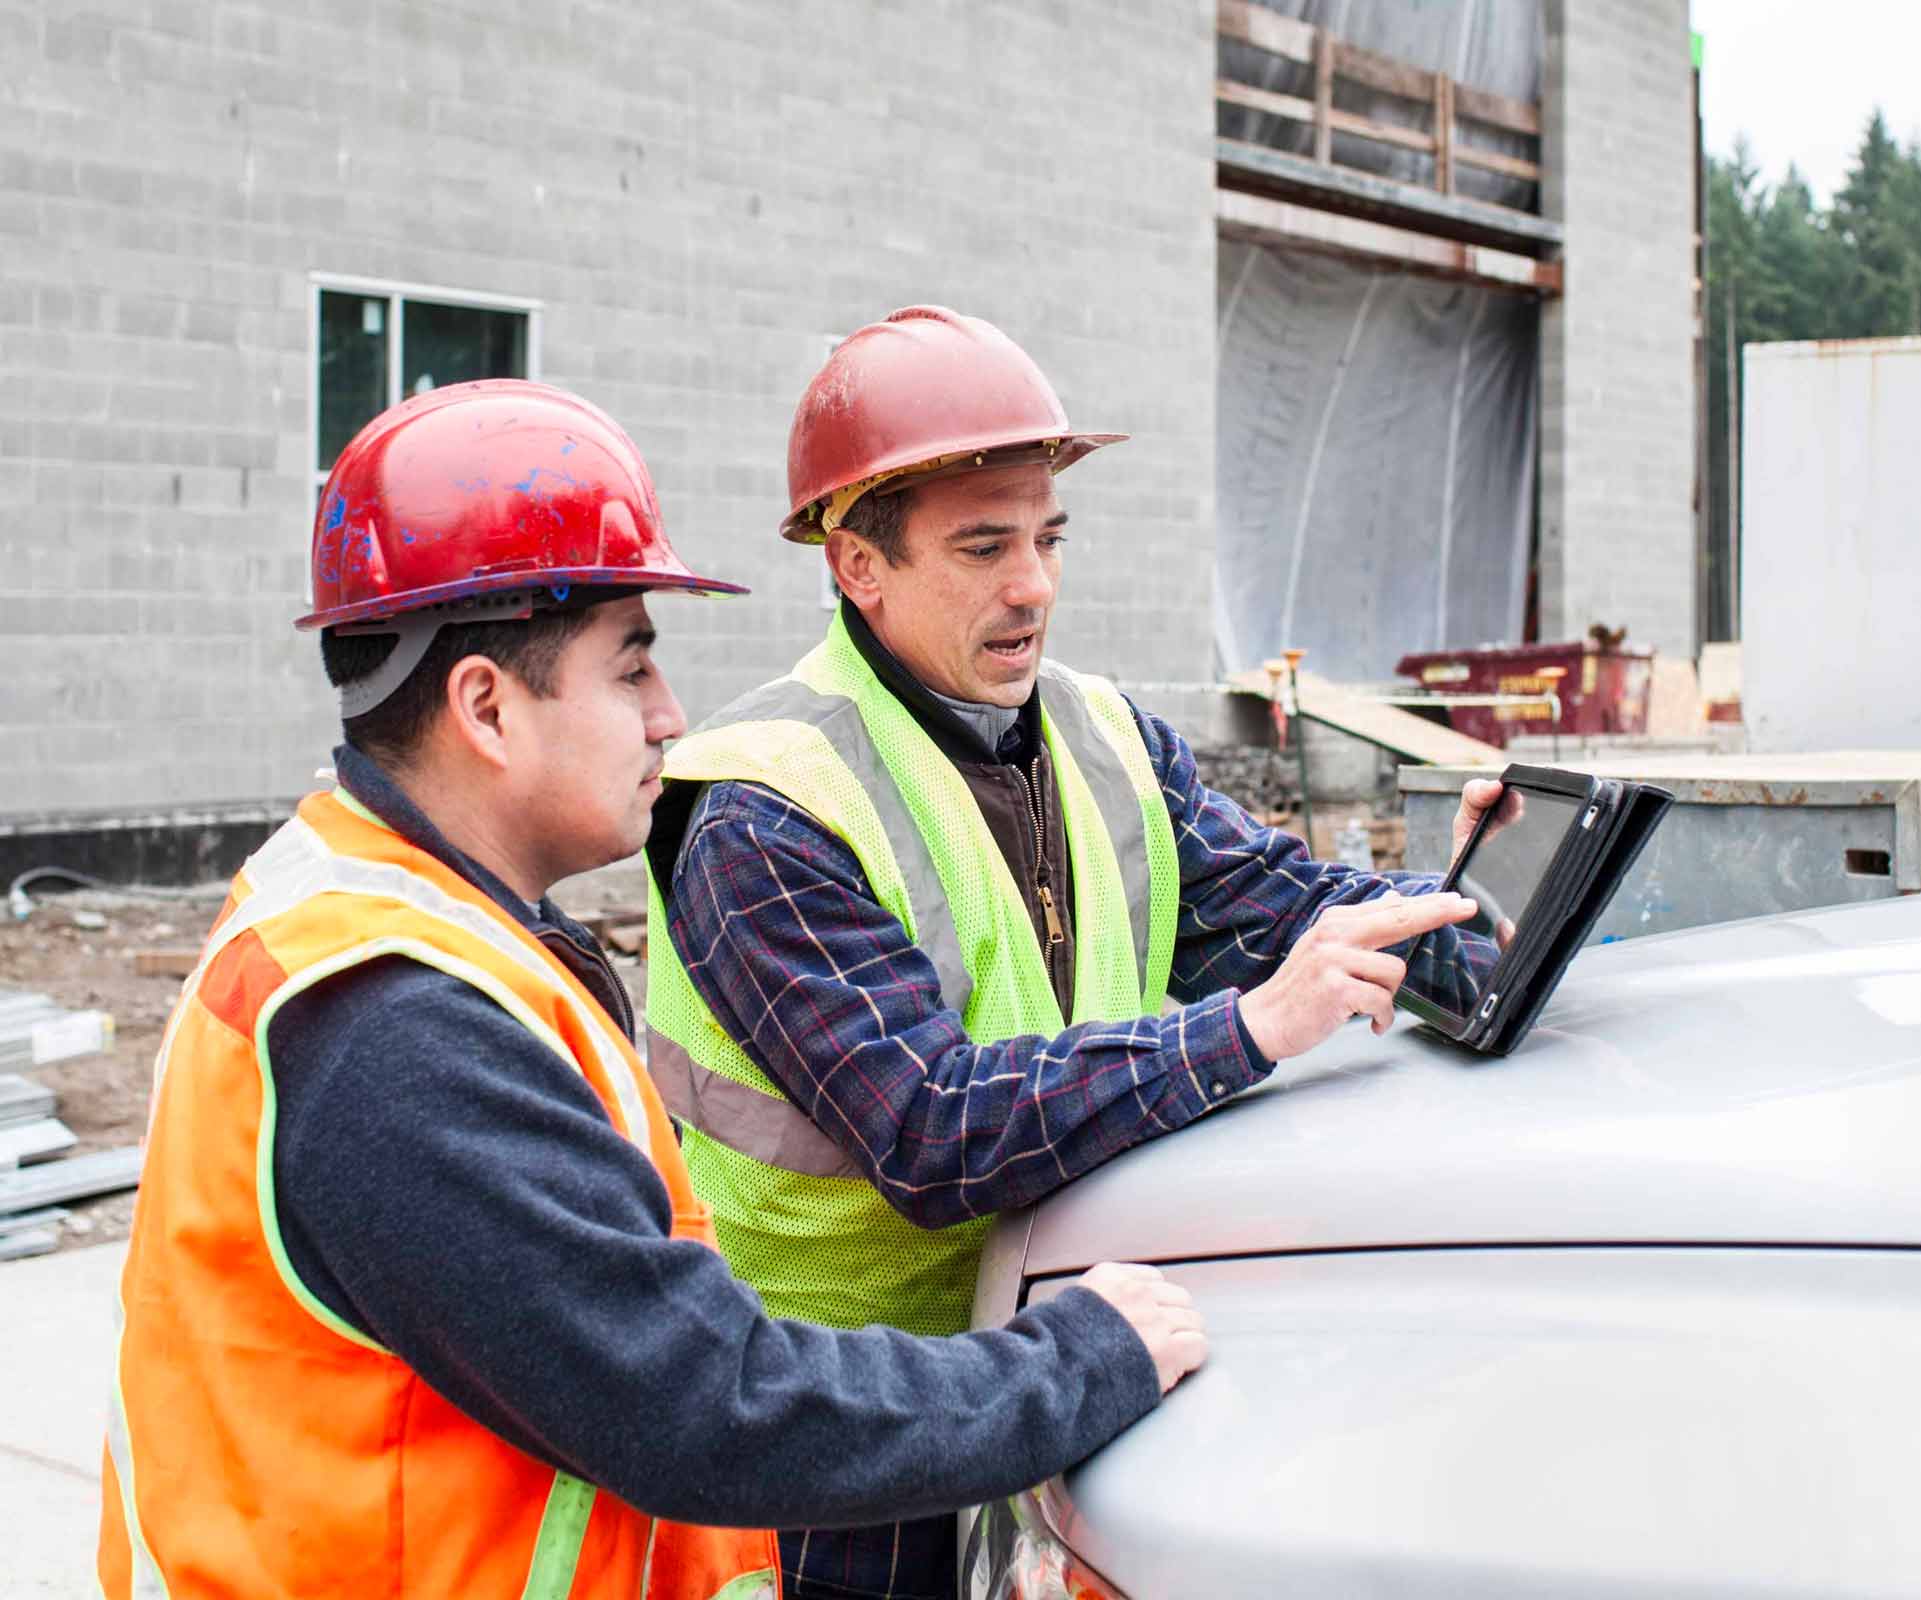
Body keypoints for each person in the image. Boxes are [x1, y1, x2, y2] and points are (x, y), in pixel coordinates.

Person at [97, 380, 1205, 1600]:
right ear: (485, 707)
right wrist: (1081, 1361)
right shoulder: (394, 1029)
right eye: (632, 671)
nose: (670, 717)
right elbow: (706, 1404)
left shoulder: (415, 924)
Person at [644, 306, 1495, 1599]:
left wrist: (1476, 922)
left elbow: (1282, 906)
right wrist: (1251, 1029)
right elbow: (930, 1129)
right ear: (858, 568)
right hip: (848, 1421)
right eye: (982, 546)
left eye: (1047, 538)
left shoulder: (1104, 735)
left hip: (1066, 1340)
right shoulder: (762, 811)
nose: (1033, 584)